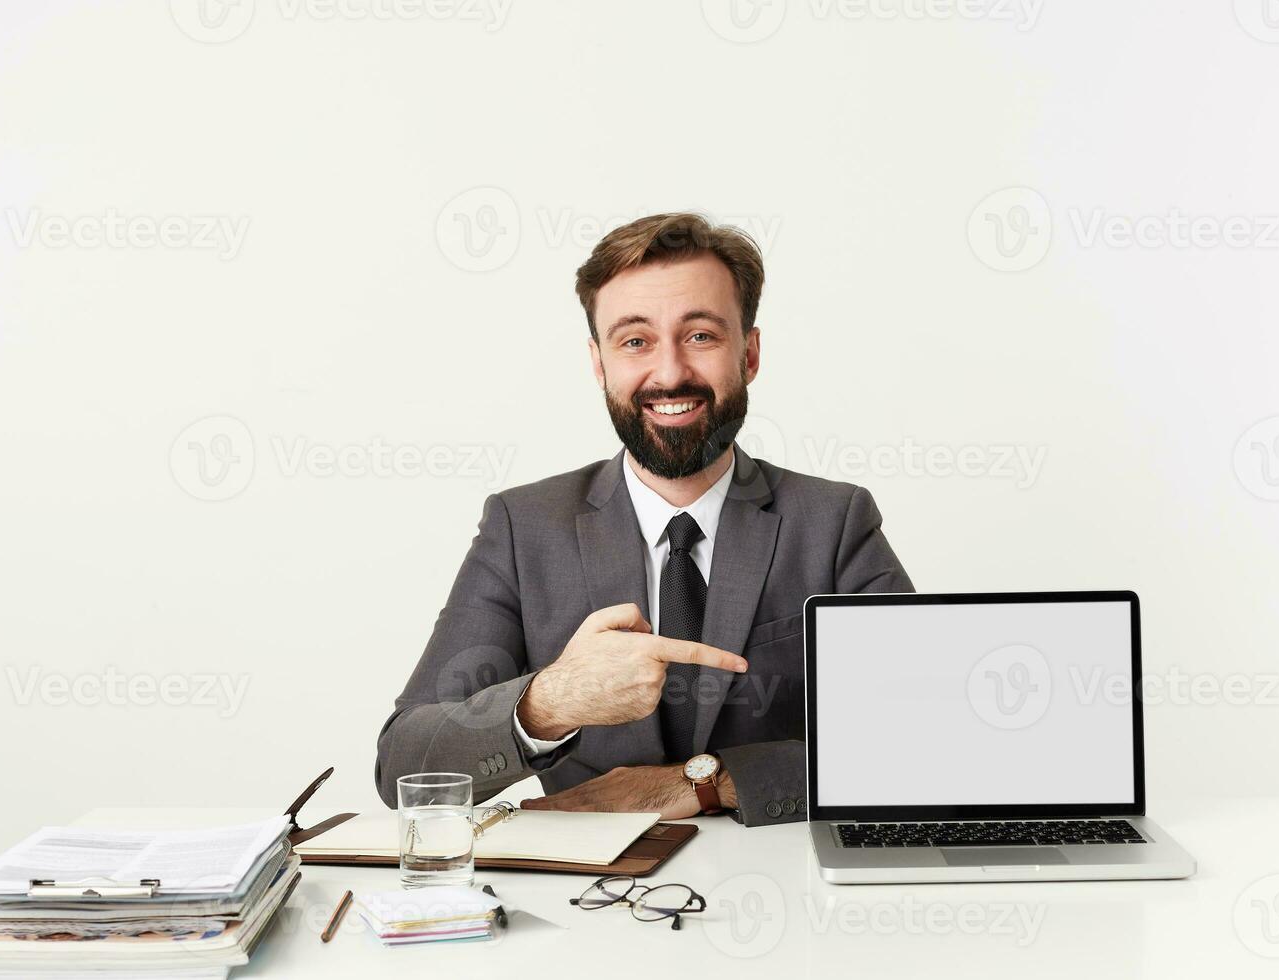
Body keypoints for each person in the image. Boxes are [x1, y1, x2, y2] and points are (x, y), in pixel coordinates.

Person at [374, 212, 913, 826]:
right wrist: (549, 702)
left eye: (701, 336)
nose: (669, 372)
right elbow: (402, 766)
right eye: (635, 341)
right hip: (584, 899)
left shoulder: (835, 521)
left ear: (751, 353)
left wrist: (707, 784)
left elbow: (920, 736)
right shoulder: (523, 527)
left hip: (783, 884)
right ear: (600, 364)